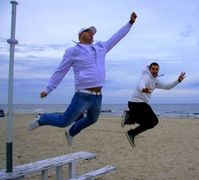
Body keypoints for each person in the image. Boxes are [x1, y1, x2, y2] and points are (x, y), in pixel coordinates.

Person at [28, 12, 138, 146]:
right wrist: (48, 89)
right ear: (80, 35)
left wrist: (130, 23)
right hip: (83, 95)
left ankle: (71, 132)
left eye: (93, 32)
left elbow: (117, 37)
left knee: (92, 119)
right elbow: (60, 70)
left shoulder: (101, 47)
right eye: (88, 31)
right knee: (64, 121)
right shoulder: (73, 51)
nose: (92, 33)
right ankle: (41, 118)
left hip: (98, 96)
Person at [121, 62, 186, 147]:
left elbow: (167, 87)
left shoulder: (155, 81)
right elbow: (140, 85)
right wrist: (144, 89)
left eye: (157, 69)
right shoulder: (146, 77)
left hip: (138, 104)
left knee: (151, 122)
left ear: (158, 70)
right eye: (153, 69)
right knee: (154, 121)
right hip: (136, 103)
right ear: (149, 69)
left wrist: (178, 81)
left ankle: (130, 122)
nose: (155, 71)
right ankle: (130, 125)